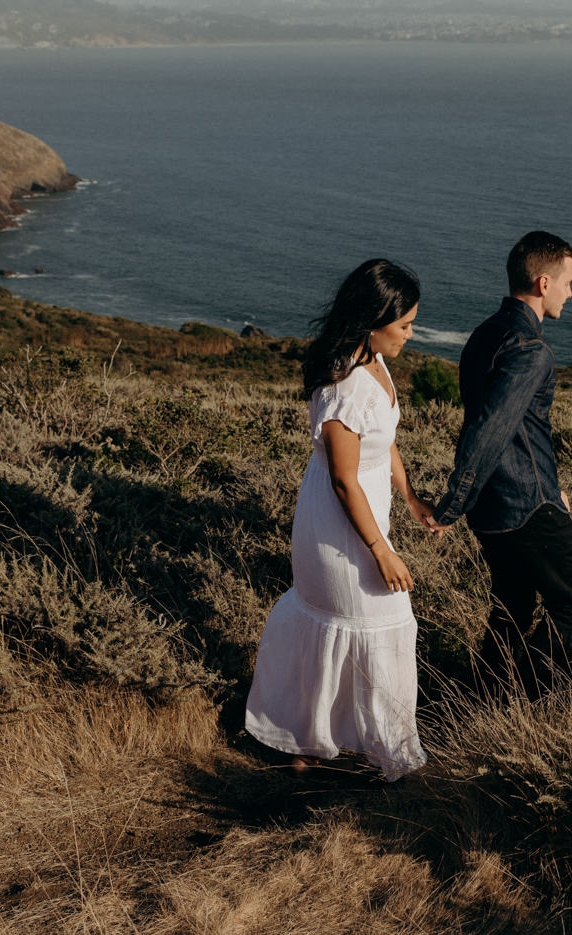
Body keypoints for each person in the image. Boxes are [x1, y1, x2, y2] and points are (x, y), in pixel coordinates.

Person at [245, 258, 436, 781]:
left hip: (364, 514)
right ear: (372, 321)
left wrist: (411, 497)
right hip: (339, 527)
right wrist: (382, 550)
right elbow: (344, 480)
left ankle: (321, 748)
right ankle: (370, 754)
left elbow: (385, 440)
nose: (410, 335)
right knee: (375, 623)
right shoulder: (345, 387)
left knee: (362, 628)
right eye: (404, 325)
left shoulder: (374, 359)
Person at [428, 231, 572, 699]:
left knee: (513, 606)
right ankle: (527, 698)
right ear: (543, 283)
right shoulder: (530, 351)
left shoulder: (484, 334)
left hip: (495, 507)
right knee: (570, 604)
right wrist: (452, 504)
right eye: (567, 282)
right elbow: (490, 431)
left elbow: (510, 430)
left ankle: (486, 700)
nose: (570, 292)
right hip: (526, 506)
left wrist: (468, 501)